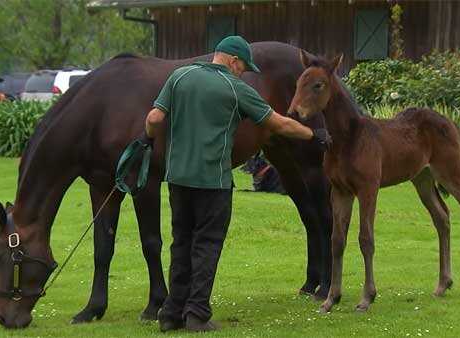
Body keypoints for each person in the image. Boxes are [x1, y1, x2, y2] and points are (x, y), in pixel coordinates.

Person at [141, 36, 330, 332]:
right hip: (212, 181)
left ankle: (171, 313)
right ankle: (197, 314)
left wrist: (149, 138)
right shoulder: (235, 88)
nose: (243, 72)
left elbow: (154, 117)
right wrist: (312, 135)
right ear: (232, 60)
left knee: (182, 243)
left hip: (177, 180)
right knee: (206, 245)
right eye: (243, 66)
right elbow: (279, 124)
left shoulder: (180, 76)